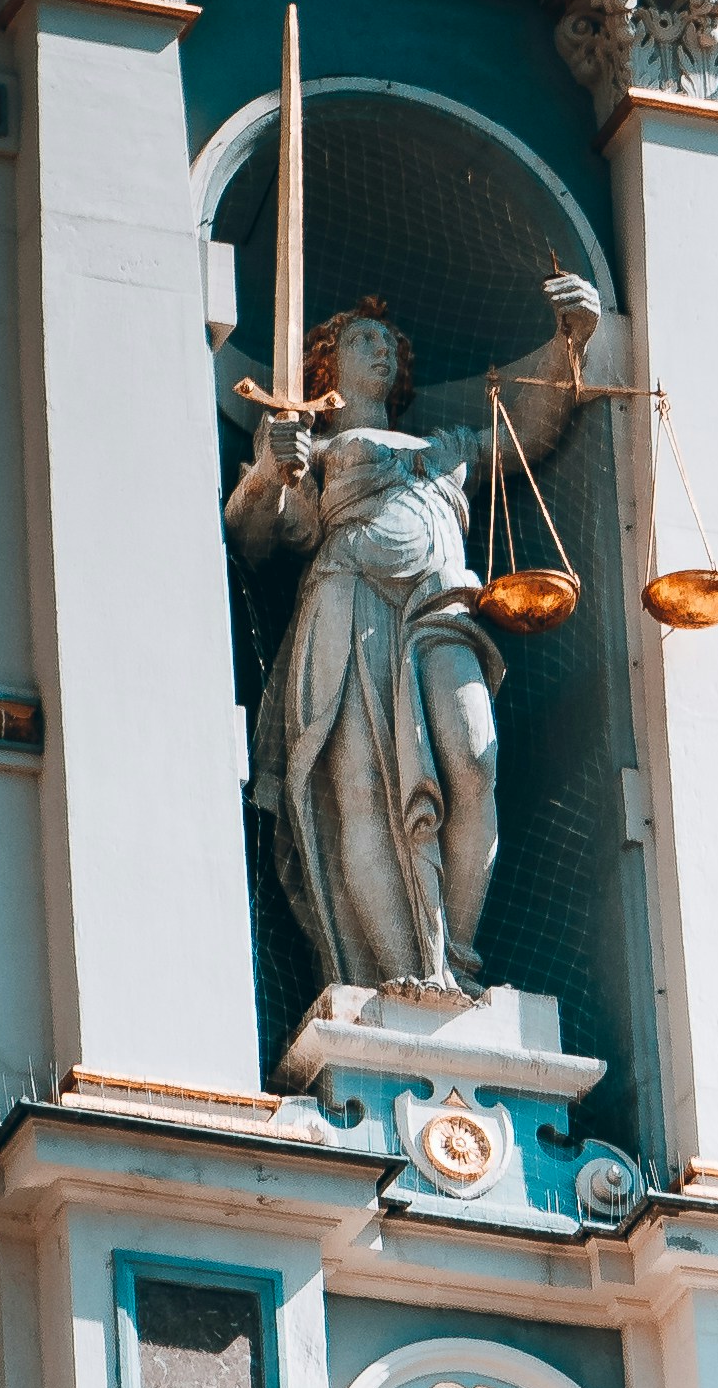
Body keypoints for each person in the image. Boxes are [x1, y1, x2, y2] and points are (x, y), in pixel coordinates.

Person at [225, 273, 597, 1014]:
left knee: (475, 760)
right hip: (350, 603)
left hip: (442, 607)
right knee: (357, 791)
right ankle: (399, 975)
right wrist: (270, 466)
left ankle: (453, 956)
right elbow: (253, 534)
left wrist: (568, 344)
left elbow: (527, 430)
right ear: (328, 364)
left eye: (390, 344)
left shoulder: (447, 444)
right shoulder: (319, 445)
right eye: (363, 341)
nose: (383, 352)